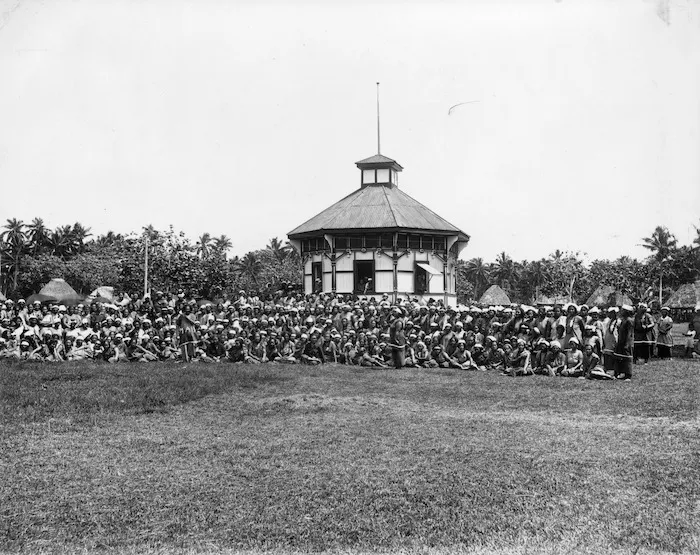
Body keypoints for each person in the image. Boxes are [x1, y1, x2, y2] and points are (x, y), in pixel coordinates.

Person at [614, 305, 635, 380]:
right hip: (621, 341)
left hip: (627, 342)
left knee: (627, 358)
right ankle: (619, 372)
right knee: (619, 356)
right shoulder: (623, 320)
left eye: (623, 310)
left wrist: (627, 344)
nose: (621, 312)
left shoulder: (629, 320)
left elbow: (630, 333)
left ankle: (628, 374)